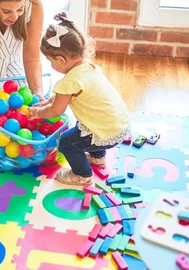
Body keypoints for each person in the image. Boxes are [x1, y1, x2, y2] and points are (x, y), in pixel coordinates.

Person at [29, 12, 130, 186]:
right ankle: (98, 157)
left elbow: (56, 111)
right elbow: (64, 96)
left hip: (105, 132)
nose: (51, 65)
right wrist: (47, 102)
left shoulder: (69, 81)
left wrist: (38, 113)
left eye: (50, 60)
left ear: (61, 59)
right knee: (81, 126)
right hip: (119, 126)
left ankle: (82, 174)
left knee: (67, 142)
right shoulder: (88, 67)